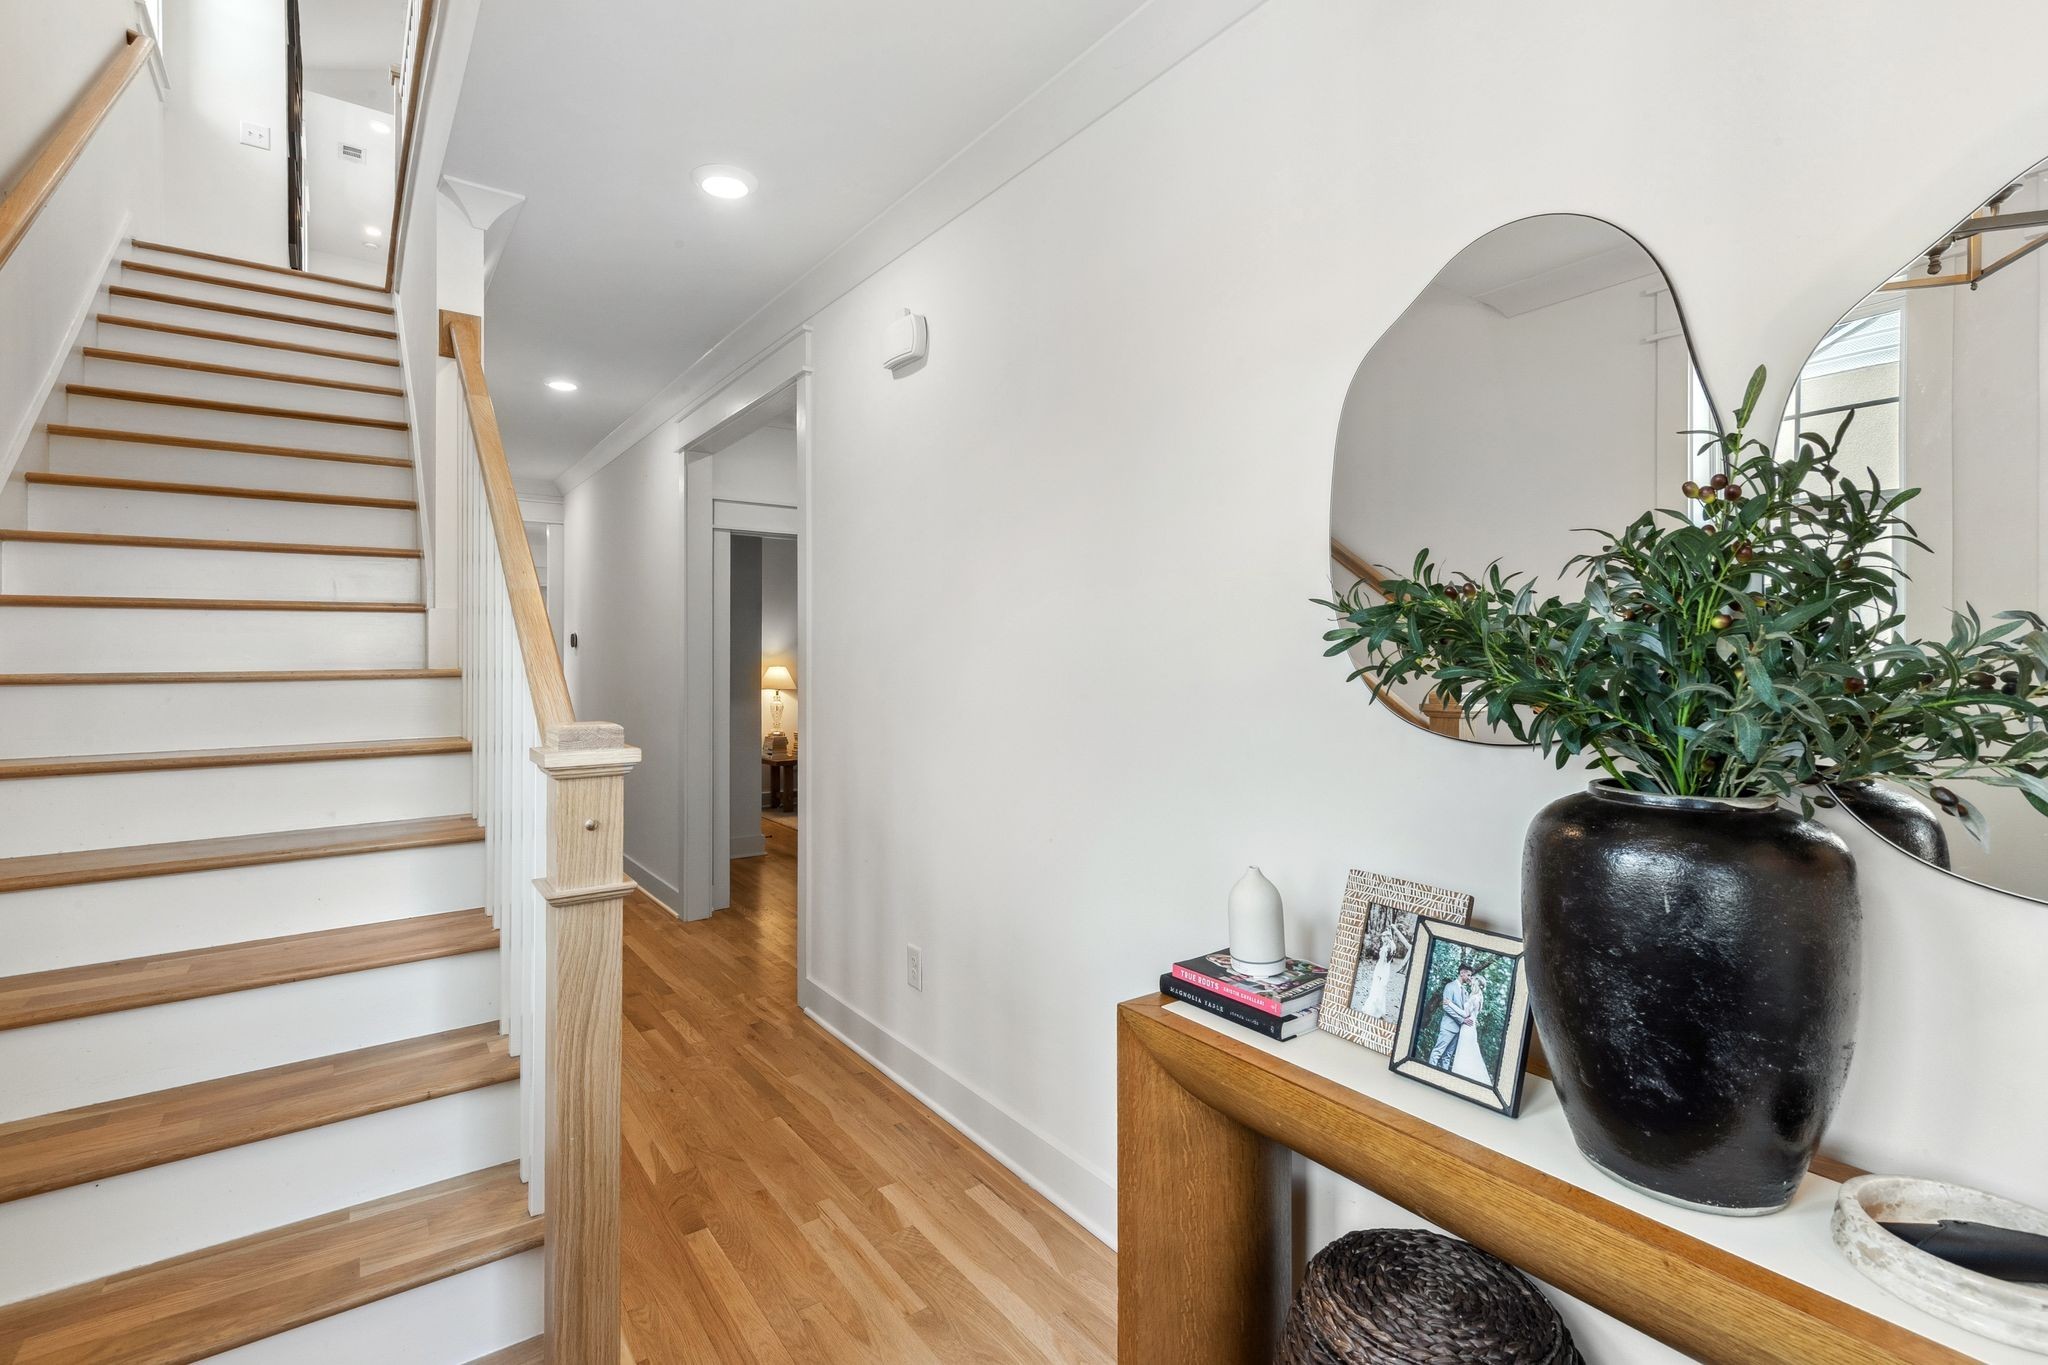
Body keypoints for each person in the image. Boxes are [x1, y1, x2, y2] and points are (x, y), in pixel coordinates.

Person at [1427, 961, 1478, 1069]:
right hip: (1448, 1027)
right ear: (1462, 973)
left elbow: (1465, 1010)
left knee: (1447, 1056)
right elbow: (1446, 1007)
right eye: (1468, 975)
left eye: (1470, 975)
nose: (1469, 978)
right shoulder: (1449, 986)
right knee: (1437, 1052)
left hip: (1459, 1029)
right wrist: (1461, 1020)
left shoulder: (1465, 991)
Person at [1358, 922, 1400, 1018]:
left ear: (1386, 937)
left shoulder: (1385, 948)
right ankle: (1378, 1009)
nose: (1382, 938)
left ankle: (1372, 1009)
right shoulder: (1393, 946)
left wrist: (1379, 973)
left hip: (1381, 969)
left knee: (1376, 987)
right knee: (1381, 988)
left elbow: (1382, 962)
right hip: (1387, 969)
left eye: (1383, 937)